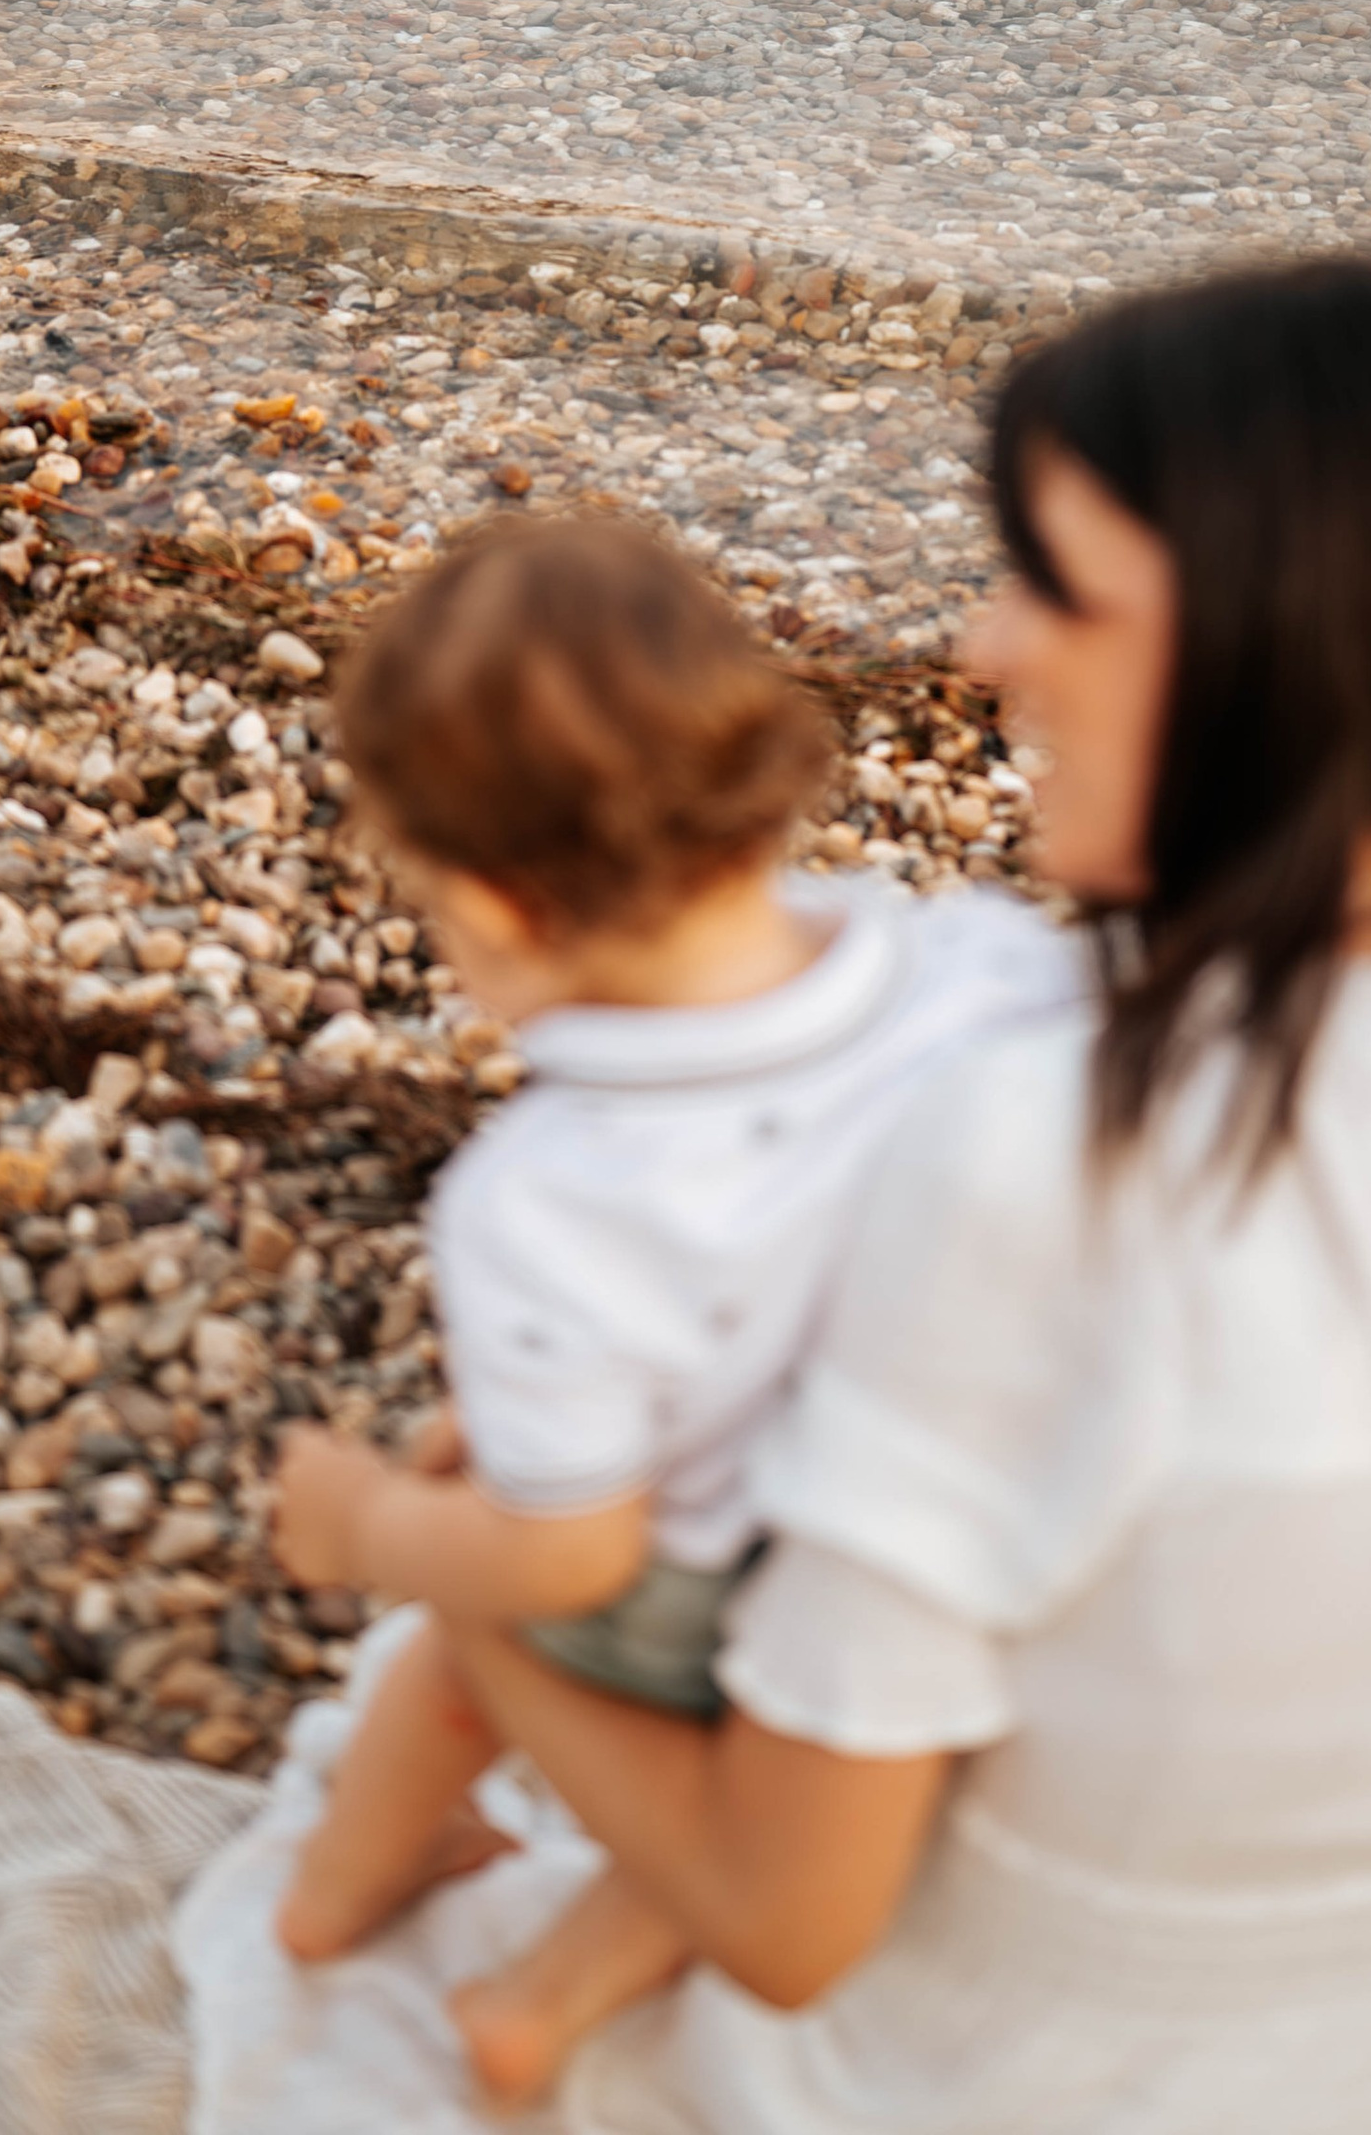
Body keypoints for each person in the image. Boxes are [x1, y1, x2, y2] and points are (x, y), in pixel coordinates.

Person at [178, 255, 1371, 2135]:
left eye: (1057, 589)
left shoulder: (1050, 1142)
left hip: (1058, 2076)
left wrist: (449, 1579)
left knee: (474, 1591)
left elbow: (786, 1919)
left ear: (1280, 640)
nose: (987, 648)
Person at [256, 511, 1079, 2102]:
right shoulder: (978, 967)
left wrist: (364, 1527)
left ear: (493, 906)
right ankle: (546, 1998)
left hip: (715, 1579)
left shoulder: (550, 1198)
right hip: (949, 1518)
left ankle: (338, 1888)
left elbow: (577, 1550)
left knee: (467, 1616)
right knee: (781, 1780)